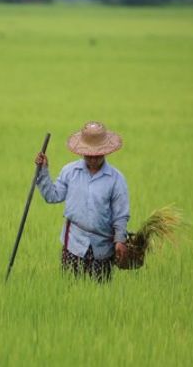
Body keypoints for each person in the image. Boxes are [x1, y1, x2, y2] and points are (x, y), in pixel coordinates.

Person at [34, 121, 129, 282]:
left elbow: (120, 216)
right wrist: (43, 170)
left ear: (105, 152)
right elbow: (52, 196)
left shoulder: (116, 179)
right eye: (88, 154)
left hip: (102, 248)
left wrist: (120, 240)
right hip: (73, 244)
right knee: (69, 292)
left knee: (99, 296)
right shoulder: (70, 172)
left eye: (96, 155)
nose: (92, 159)